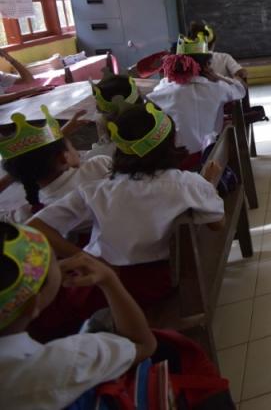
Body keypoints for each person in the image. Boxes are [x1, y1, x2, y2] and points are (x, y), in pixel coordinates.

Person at [27, 103, 224, 341]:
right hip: (159, 282)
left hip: (102, 286)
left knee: (38, 312)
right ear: (169, 143)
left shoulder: (96, 190)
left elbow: (37, 226)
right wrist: (209, 185)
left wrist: (84, 257)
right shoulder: (187, 184)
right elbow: (217, 224)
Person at [0, 223, 158, 410]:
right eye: (53, 264)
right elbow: (143, 345)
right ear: (33, 304)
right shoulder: (70, 360)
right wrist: (109, 279)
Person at [0, 106, 111, 227]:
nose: (78, 152)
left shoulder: (34, 213)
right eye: (72, 147)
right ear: (63, 157)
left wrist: (19, 173)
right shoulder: (99, 164)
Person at [147, 36, 246, 166]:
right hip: (208, 154)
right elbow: (240, 89)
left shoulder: (161, 89)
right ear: (206, 66)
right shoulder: (217, 88)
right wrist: (218, 77)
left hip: (171, 159)